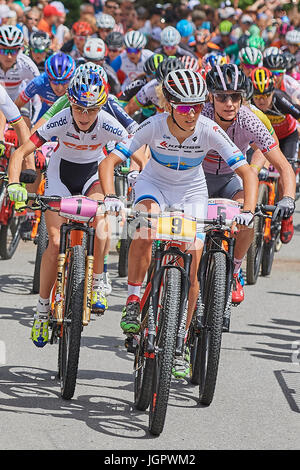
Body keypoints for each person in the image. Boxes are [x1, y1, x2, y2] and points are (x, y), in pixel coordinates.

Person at [98, 68, 259, 378]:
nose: (191, 114)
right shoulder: (153, 125)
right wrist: (110, 197)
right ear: (170, 105)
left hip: (191, 192)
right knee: (145, 227)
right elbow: (110, 162)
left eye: (198, 107)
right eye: (185, 107)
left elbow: (247, 172)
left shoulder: (209, 128)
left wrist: (248, 209)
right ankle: (133, 298)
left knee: (194, 262)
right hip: (153, 185)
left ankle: (181, 341)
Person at [7, 63, 129, 348]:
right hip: (61, 175)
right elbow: (23, 151)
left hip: (92, 175)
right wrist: (14, 183)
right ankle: (41, 311)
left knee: (101, 218)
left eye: (92, 110)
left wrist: (139, 170)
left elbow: (137, 147)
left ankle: (98, 279)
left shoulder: (108, 122)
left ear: (101, 107)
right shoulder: (60, 119)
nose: (85, 116)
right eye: (79, 108)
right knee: (52, 242)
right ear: (70, 103)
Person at [202, 64, 296, 302]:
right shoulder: (199, 114)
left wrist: (287, 198)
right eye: (222, 97)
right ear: (211, 96)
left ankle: (234, 269)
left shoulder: (249, 119)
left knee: (248, 216)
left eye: (235, 96)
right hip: (196, 179)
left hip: (230, 180)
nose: (229, 103)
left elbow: (284, 166)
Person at [251, 66, 300, 243]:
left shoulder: (280, 99)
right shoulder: (249, 103)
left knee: (289, 168)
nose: (262, 100)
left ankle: (287, 217)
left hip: (287, 137)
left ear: (273, 92)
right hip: (263, 139)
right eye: (257, 97)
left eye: (266, 96)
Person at [15, 52, 75, 124]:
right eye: (55, 82)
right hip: (46, 112)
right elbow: (17, 105)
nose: (60, 88)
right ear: (48, 78)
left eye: (64, 82)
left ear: (71, 78)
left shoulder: (76, 84)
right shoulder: (39, 82)